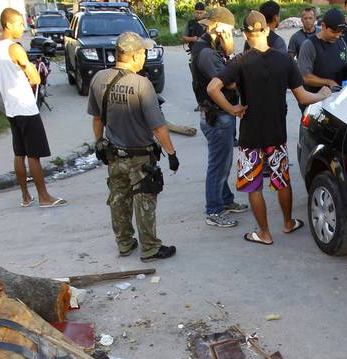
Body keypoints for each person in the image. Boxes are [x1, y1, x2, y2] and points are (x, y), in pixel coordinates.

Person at [207, 11, 331, 245]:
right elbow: (303, 96)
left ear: (245, 34)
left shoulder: (240, 62)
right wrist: (323, 94)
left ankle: (264, 234)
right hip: (276, 134)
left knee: (254, 186)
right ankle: (288, 223)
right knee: (282, 180)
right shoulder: (285, 60)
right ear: (267, 30)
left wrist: (232, 109)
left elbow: (212, 87)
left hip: (250, 136)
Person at [88, 32, 179, 261]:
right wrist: (171, 153)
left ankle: (124, 243)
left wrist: (98, 142)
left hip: (113, 154)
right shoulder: (141, 84)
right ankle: (150, 248)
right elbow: (158, 127)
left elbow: (97, 119)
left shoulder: (99, 78)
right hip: (140, 156)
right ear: (136, 55)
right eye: (144, 53)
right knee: (144, 199)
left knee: (118, 199)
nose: (145, 57)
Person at [0, 8, 65, 208]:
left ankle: (25, 196)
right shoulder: (14, 48)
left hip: (10, 107)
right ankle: (44, 197)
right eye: (19, 24)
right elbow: (35, 77)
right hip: (25, 106)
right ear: (8, 24)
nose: (23, 28)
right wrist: (31, 71)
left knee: (19, 153)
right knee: (34, 155)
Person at [191, 6, 250, 228]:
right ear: (218, 28)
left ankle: (225, 199)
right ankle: (214, 210)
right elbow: (227, 82)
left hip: (219, 114)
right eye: (228, 30)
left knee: (223, 161)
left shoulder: (210, 47)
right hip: (217, 115)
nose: (230, 34)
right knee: (219, 165)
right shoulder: (206, 53)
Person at [297, 8, 347, 112]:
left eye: (340, 32)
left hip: (338, 102)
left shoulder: (341, 42)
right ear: (323, 26)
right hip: (316, 104)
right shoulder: (309, 45)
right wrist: (329, 82)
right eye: (333, 32)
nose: (337, 36)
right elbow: (305, 77)